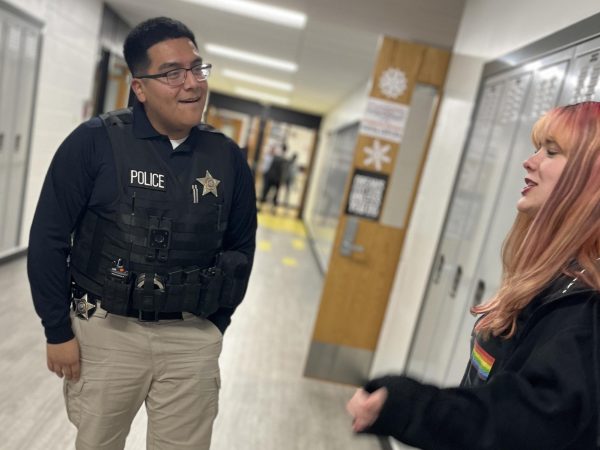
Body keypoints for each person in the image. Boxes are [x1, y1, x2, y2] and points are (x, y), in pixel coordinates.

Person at [27, 17, 257, 450]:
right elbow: (48, 239)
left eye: (197, 68)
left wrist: (215, 327)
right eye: (173, 73)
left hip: (192, 337)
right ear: (139, 87)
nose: (191, 83)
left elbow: (241, 249)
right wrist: (56, 331)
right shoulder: (94, 143)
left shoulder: (227, 158)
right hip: (108, 333)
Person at [347, 101, 600, 449]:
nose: (530, 161)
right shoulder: (553, 281)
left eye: (551, 152)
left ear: (590, 177)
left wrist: (414, 408)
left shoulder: (583, 305)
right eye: (536, 148)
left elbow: (527, 424)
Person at [259, 143, 287, 211]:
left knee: (266, 192)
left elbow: (272, 168)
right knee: (273, 194)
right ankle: (271, 208)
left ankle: (262, 206)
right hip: (276, 179)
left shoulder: (276, 157)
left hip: (271, 178)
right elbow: (283, 171)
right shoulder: (283, 159)